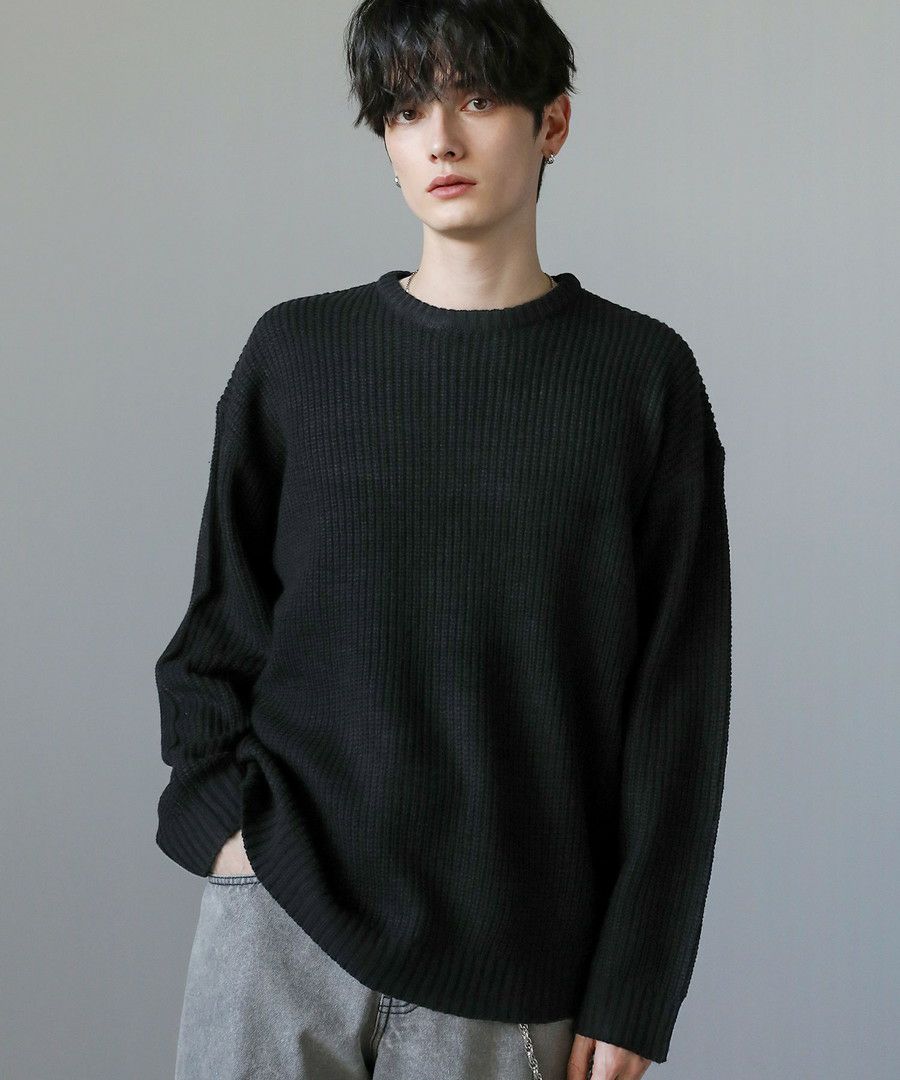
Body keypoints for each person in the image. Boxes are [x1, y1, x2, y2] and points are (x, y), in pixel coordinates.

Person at [154, 2, 732, 1078]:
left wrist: (637, 986)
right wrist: (230, 839)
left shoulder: (639, 381)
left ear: (553, 122)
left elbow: (678, 714)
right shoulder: (298, 355)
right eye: (407, 108)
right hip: (280, 931)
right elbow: (217, 632)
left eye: (478, 98)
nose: (441, 139)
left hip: (513, 968)